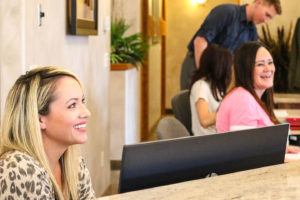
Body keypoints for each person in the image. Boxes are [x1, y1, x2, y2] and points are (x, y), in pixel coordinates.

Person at [0, 66, 95, 199]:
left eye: (82, 101)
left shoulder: (76, 166)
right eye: (72, 105)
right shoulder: (18, 168)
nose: (86, 113)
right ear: (39, 119)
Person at [180, 0, 282, 90]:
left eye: (270, 18)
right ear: (258, 2)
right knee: (190, 108)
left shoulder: (253, 34)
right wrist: (203, 74)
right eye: (267, 15)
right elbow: (200, 41)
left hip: (220, 75)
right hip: (197, 65)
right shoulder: (226, 12)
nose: (265, 21)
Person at [216, 42, 277, 132]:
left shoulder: (246, 96)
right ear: (245, 69)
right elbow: (244, 145)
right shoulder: (242, 99)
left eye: (270, 62)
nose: (268, 69)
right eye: (260, 64)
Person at [190, 44, 232, 136]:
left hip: (219, 135)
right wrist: (230, 111)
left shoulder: (217, 86)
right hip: (207, 141)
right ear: (219, 67)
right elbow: (205, 120)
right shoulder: (200, 86)